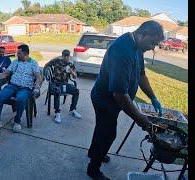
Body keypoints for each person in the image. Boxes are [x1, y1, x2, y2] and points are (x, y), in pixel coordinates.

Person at [87, 20, 164, 179]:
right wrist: (142, 120)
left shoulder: (137, 47)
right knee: (108, 133)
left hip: (113, 100)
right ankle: (93, 168)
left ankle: (94, 153)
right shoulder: (123, 50)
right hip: (105, 100)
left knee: (102, 128)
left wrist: (153, 97)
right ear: (143, 34)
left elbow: (141, 75)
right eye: (152, 43)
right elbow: (120, 94)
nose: (152, 48)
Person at [0, 44, 42, 133]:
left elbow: (39, 77)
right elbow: (6, 73)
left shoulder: (33, 63)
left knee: (20, 99)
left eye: (19, 53)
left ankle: (17, 121)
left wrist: (37, 86)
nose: (17, 54)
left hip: (25, 88)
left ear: (25, 54)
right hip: (12, 86)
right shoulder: (15, 62)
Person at [44, 49, 81, 123]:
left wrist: (71, 71)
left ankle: (72, 110)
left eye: (67, 56)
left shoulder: (70, 64)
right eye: (64, 56)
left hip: (65, 84)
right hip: (55, 83)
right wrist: (47, 76)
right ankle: (57, 112)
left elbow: (75, 77)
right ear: (62, 56)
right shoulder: (56, 61)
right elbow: (46, 66)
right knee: (57, 91)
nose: (66, 57)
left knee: (76, 91)